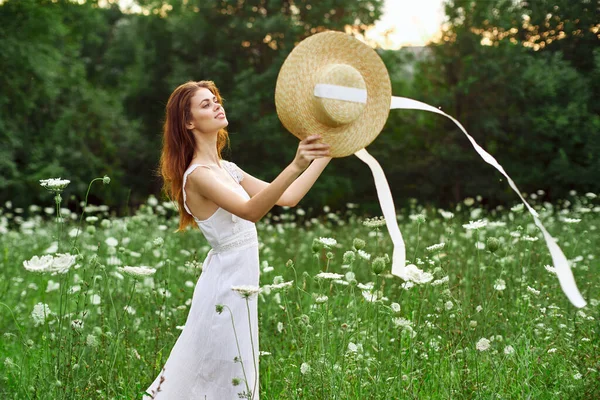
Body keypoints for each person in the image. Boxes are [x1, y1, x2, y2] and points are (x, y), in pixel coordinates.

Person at [144, 80, 331, 399]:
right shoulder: (198, 175)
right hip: (226, 288)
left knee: (235, 372)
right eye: (205, 104)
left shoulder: (227, 168)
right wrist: (295, 163)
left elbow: (288, 197)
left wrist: (326, 154)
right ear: (188, 122)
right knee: (222, 373)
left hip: (242, 284)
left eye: (215, 99)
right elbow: (251, 211)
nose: (217, 105)